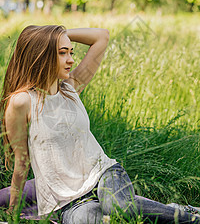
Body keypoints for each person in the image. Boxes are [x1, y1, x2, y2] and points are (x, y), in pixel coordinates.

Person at [0, 24, 200, 224]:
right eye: (62, 53)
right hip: (69, 202)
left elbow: (101, 36)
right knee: (87, 220)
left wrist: (57, 35)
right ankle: (171, 210)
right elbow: (22, 162)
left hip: (103, 175)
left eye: (71, 52)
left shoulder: (71, 87)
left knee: (117, 206)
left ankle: (191, 219)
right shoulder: (21, 102)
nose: (71, 59)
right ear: (41, 54)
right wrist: (12, 214)